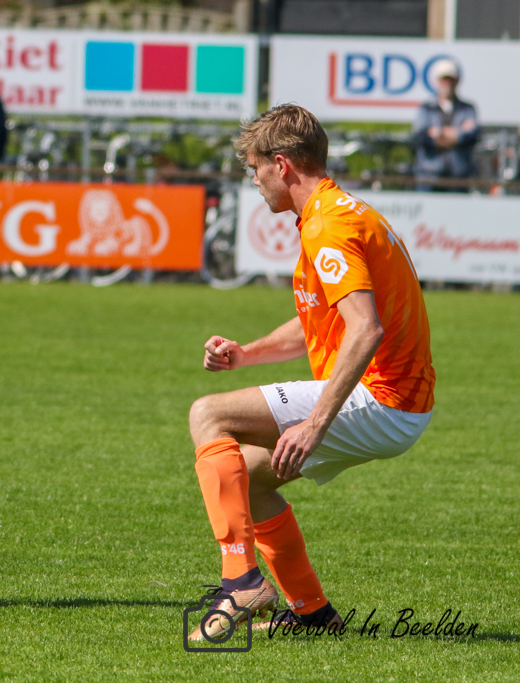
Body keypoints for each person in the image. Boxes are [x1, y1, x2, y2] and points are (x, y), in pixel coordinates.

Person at [186, 104, 435, 640]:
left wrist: (315, 422)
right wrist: (246, 353)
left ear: (282, 165)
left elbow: (365, 330)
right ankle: (313, 613)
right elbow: (323, 322)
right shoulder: (337, 212)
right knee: (247, 477)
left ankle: (241, 581)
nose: (254, 181)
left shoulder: (329, 224)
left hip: (384, 397)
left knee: (208, 415)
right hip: (396, 401)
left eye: (255, 169)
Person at [412, 59, 479, 192]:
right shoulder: (426, 109)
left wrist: (439, 134)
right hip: (429, 175)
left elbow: (472, 136)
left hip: (458, 176)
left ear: (457, 81)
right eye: (444, 79)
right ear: (437, 81)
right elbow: (420, 137)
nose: (448, 84)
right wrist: (456, 134)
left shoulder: (467, 109)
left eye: (451, 80)